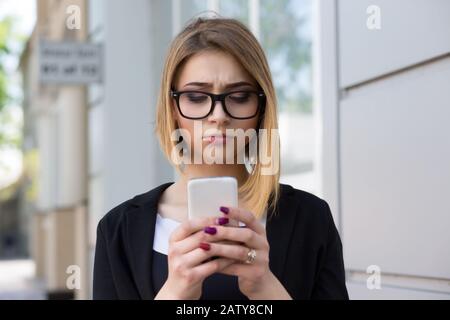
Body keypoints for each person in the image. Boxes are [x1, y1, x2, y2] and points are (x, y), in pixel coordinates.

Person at [93, 16, 349, 300]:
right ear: (172, 107)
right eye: (196, 97)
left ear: (262, 107)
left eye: (239, 96)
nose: (218, 116)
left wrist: (266, 287)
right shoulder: (118, 230)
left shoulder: (310, 219)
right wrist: (174, 292)